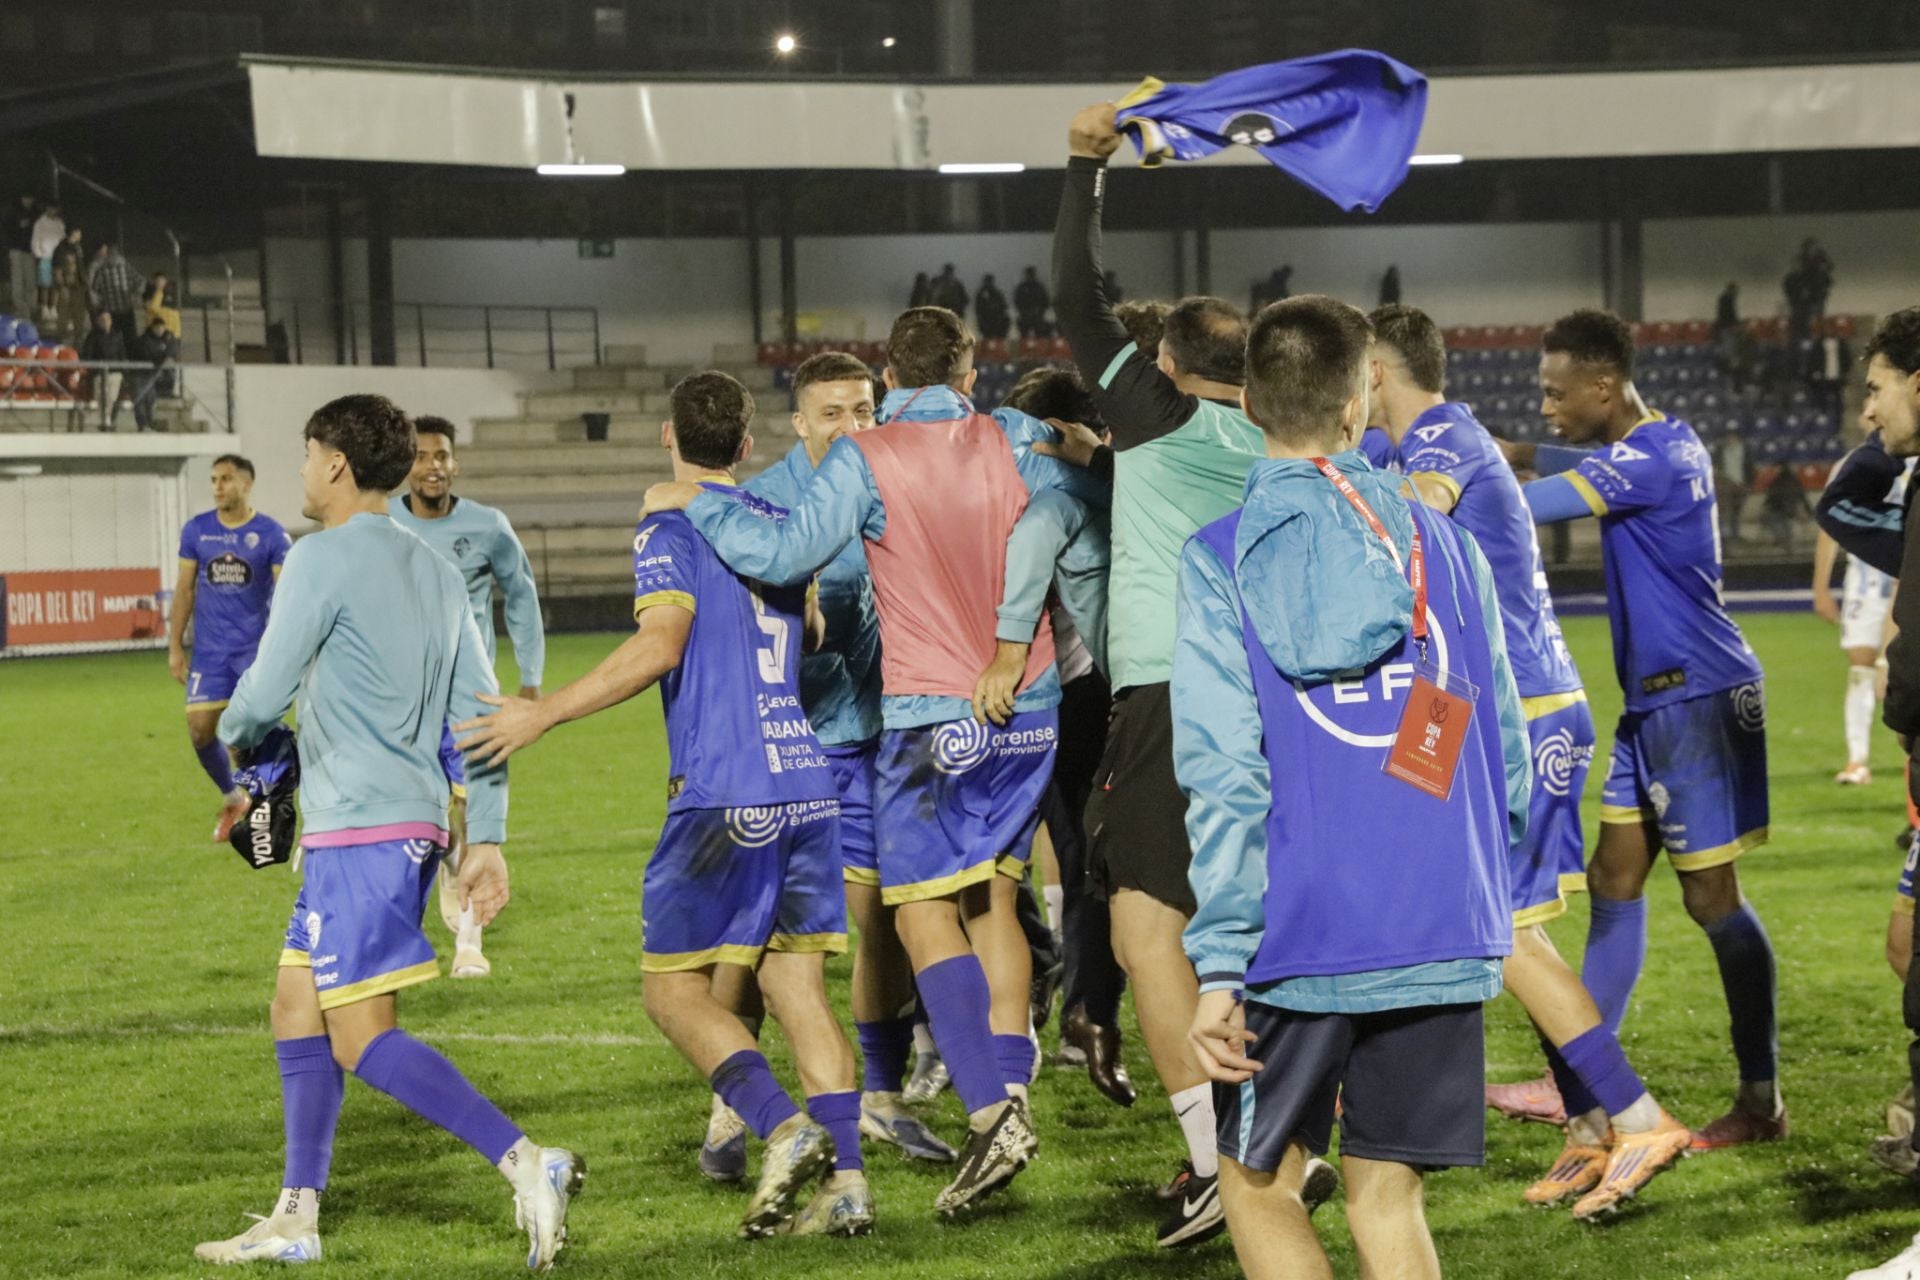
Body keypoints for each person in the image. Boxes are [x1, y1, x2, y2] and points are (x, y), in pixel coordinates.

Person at [641, 306, 1107, 1218]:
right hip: (1030, 705)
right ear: (970, 376)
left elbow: (783, 551)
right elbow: (1094, 478)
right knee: (995, 900)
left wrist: (694, 498)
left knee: (920, 910)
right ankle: (1007, 1088)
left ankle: (989, 1114)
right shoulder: (1016, 434)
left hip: (934, 712)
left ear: (889, 381)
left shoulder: (872, 454)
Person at [460, 372, 872, 1238]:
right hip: (805, 779)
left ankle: (782, 1128)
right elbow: (814, 633)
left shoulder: (670, 522)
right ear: (749, 445)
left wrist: (544, 711)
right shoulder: (774, 522)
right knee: (798, 984)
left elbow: (662, 641)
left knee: (672, 993)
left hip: (723, 788)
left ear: (666, 436)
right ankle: (848, 1187)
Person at [1178, 295, 1523, 1280]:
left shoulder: (1217, 558)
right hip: (1441, 916)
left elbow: (1224, 770)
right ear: (1360, 401)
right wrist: (1474, 884)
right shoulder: (1446, 545)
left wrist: (1217, 965)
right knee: (1386, 1190)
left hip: (1301, 926)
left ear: (1247, 402)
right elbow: (1493, 730)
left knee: (1254, 1181)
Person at [196, 394, 582, 1268]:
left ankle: (529, 1160)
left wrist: (239, 740)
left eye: (304, 456)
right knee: (296, 1009)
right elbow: (480, 717)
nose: (299, 473)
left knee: (361, 1037)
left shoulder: (319, 559)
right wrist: (486, 834)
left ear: (334, 463)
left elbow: (259, 694)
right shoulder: (440, 571)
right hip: (400, 826)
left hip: (360, 833)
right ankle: (297, 1216)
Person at [1369, 304, 1692, 1216]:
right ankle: (1590, 1126)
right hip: (1454, 708)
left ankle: (1636, 1115)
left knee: (1503, 924)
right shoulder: (1405, 447)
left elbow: (1414, 521)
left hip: (1524, 711)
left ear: (1377, 374)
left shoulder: (1443, 439)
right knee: (1467, 916)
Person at [1046, 100, 1271, 1247]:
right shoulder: (1283, 441)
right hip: (1269, 710)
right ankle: (1287, 1135)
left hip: (1165, 705)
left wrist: (1087, 162)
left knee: (1145, 932)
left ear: (1169, 363)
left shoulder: (1158, 417)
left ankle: (1222, 1167)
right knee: (1248, 934)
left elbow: (1074, 295)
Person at [1502, 308, 1783, 1150]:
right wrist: (1491, 447)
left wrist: (1462, 474)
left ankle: (1761, 1099)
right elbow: (1556, 459)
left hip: (1696, 699)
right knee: (1615, 878)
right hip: (1655, 706)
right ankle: (1586, 1077)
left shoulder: (1646, 462)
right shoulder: (1662, 442)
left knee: (1712, 898)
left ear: (1601, 384)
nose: (1548, 408)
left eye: (1556, 394)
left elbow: (1527, 505)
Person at [730, 351, 956, 1170]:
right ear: (799, 422)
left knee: (880, 920)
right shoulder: (767, 504)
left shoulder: (894, 481)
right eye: (834, 413)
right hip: (791, 750)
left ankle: (881, 1094)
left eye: (865, 409)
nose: (854, 427)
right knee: (766, 939)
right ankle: (731, 1101)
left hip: (878, 741)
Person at [989, 365, 1130, 1105]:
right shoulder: (1102, 488)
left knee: (1076, 856)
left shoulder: (1060, 498)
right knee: (1072, 858)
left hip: (1069, 697)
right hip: (1073, 695)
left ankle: (1083, 1002)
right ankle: (1074, 991)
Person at [389, 416, 547, 980]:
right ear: (406, 463)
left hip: (469, 697)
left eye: (443, 456)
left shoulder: (487, 526)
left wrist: (530, 676)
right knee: (423, 821)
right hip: (400, 698)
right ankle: (422, 918)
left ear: (455, 464)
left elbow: (521, 597)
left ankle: (469, 943)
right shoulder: (380, 523)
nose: (434, 466)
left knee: (471, 811)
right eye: (423, 455)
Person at [169, 453, 293, 842]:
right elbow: (185, 590)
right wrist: (174, 644)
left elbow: (288, 595)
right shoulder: (197, 532)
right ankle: (232, 798)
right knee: (200, 731)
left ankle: (265, 805)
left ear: (246, 483)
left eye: (226, 479)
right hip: (211, 654)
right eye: (214, 480)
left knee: (245, 737)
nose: (219, 486)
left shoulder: (271, 535)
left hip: (254, 654)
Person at [1814, 515, 1898, 785]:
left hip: (1906, 578)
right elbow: (1831, 520)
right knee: (1861, 666)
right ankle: (1857, 760)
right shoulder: (1854, 471)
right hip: (1865, 584)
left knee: (1906, 671)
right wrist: (1820, 587)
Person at [130, 314, 179, 431]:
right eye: (157, 328)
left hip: (153, 376)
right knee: (141, 400)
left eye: (161, 327)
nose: (159, 330)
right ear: (152, 328)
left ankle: (150, 422)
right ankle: (142, 424)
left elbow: (173, 348)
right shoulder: (144, 340)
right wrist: (162, 358)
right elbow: (147, 354)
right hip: (141, 375)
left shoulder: (168, 337)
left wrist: (168, 356)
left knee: (151, 399)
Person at [78, 309, 126, 428]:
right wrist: (94, 368)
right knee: (102, 395)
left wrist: (123, 369)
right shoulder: (93, 336)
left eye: (108, 319)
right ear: (98, 321)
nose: (105, 322)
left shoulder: (117, 335)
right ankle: (105, 419)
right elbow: (88, 355)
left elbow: (122, 354)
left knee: (112, 396)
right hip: (98, 372)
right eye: (103, 320)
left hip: (115, 372)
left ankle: (107, 419)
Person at [88, 239, 143, 339]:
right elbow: (95, 289)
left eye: (114, 252)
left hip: (123, 309)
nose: (112, 255)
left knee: (127, 337)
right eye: (111, 253)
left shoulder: (124, 267)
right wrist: (98, 303)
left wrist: (136, 294)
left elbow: (139, 280)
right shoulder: (103, 270)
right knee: (117, 338)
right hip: (114, 310)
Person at [29, 201, 64, 322]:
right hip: (45, 257)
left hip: (57, 258)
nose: (52, 211)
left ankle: (53, 308)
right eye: (50, 209)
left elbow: (62, 239)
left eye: (54, 209)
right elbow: (35, 240)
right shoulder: (40, 223)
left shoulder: (59, 223)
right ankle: (44, 308)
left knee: (56, 284)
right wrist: (39, 254)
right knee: (45, 284)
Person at [6, 193, 35, 315]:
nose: (29, 200)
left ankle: (30, 306)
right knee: (17, 279)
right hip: (16, 249)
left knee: (30, 279)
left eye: (31, 198)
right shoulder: (12, 211)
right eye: (27, 198)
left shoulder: (34, 213)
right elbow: (7, 229)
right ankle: (20, 307)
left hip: (29, 249)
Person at [1013, 266, 1051, 339]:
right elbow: (1017, 302)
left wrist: (1039, 310)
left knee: (1041, 334)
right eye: (1029, 274)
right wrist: (1024, 311)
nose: (1030, 276)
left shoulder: (1039, 287)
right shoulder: (1021, 288)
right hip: (1025, 316)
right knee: (1024, 335)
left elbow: (1046, 301)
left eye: (1031, 274)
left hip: (1038, 316)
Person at [145, 272, 182, 338]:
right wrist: (159, 290)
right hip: (157, 332)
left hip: (173, 332)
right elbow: (152, 308)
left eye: (162, 280)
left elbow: (175, 313)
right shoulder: (150, 292)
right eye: (158, 280)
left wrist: (177, 335)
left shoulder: (171, 292)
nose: (160, 283)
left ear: (166, 281)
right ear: (154, 282)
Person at [975, 274, 1011, 341]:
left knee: (1004, 324)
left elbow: (1004, 306)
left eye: (990, 281)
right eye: (988, 281)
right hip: (985, 318)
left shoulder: (997, 293)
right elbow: (978, 308)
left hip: (997, 317)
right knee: (987, 334)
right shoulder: (981, 293)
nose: (989, 283)